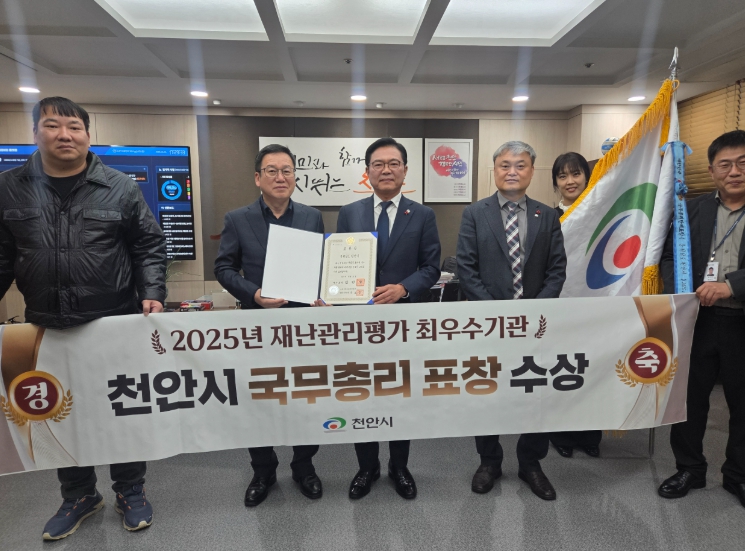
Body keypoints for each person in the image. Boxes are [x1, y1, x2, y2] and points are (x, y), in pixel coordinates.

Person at [0, 97, 166, 540]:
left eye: (74, 127)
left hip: (113, 322)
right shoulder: (9, 187)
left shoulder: (120, 186)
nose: (64, 135)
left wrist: (152, 293)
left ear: (88, 136)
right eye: (53, 125)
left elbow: (148, 245)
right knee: (59, 413)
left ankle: (130, 489)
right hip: (44, 327)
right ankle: (78, 495)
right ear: (35, 133)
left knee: (122, 408)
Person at [214, 143, 325, 507]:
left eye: (287, 170)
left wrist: (323, 293)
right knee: (259, 400)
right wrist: (254, 293)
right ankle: (263, 470)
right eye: (272, 171)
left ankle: (304, 466)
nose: (281, 177)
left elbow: (320, 265)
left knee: (305, 398)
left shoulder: (311, 217)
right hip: (258, 325)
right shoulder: (237, 218)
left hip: (302, 327)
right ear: (257, 178)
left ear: (295, 177)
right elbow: (224, 268)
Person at [456, 140, 566, 501]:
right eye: (505, 165)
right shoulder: (475, 213)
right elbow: (466, 269)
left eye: (520, 165)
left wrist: (534, 314)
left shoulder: (547, 216)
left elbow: (557, 270)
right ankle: (489, 461)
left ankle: (530, 463)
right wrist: (496, 316)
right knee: (487, 393)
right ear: (495, 170)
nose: (512, 172)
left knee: (535, 393)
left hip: (535, 328)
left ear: (532, 171)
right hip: (488, 326)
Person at [336, 137, 441, 500]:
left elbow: (431, 268)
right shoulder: (349, 213)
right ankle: (367, 467)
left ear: (405, 171)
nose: (386, 170)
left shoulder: (423, 215)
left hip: (402, 324)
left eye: (393, 163)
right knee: (361, 393)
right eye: (378, 164)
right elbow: (339, 262)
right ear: (367, 172)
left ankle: (399, 466)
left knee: (400, 394)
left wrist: (402, 288)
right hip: (358, 324)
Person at [659, 129, 745, 508]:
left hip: (740, 320)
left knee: (742, 403)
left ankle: (738, 474)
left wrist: (731, 286)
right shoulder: (690, 210)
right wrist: (679, 290)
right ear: (711, 171)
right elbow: (667, 256)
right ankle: (690, 469)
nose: (734, 172)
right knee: (689, 400)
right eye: (725, 165)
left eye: (742, 163)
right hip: (697, 320)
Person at [548, 152, 602, 459]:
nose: (570, 181)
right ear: (555, 182)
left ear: (587, 177)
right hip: (560, 306)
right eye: (562, 176)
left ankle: (590, 435)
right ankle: (561, 434)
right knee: (562, 369)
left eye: (576, 173)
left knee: (593, 369)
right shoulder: (548, 218)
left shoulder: (601, 213)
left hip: (595, 306)